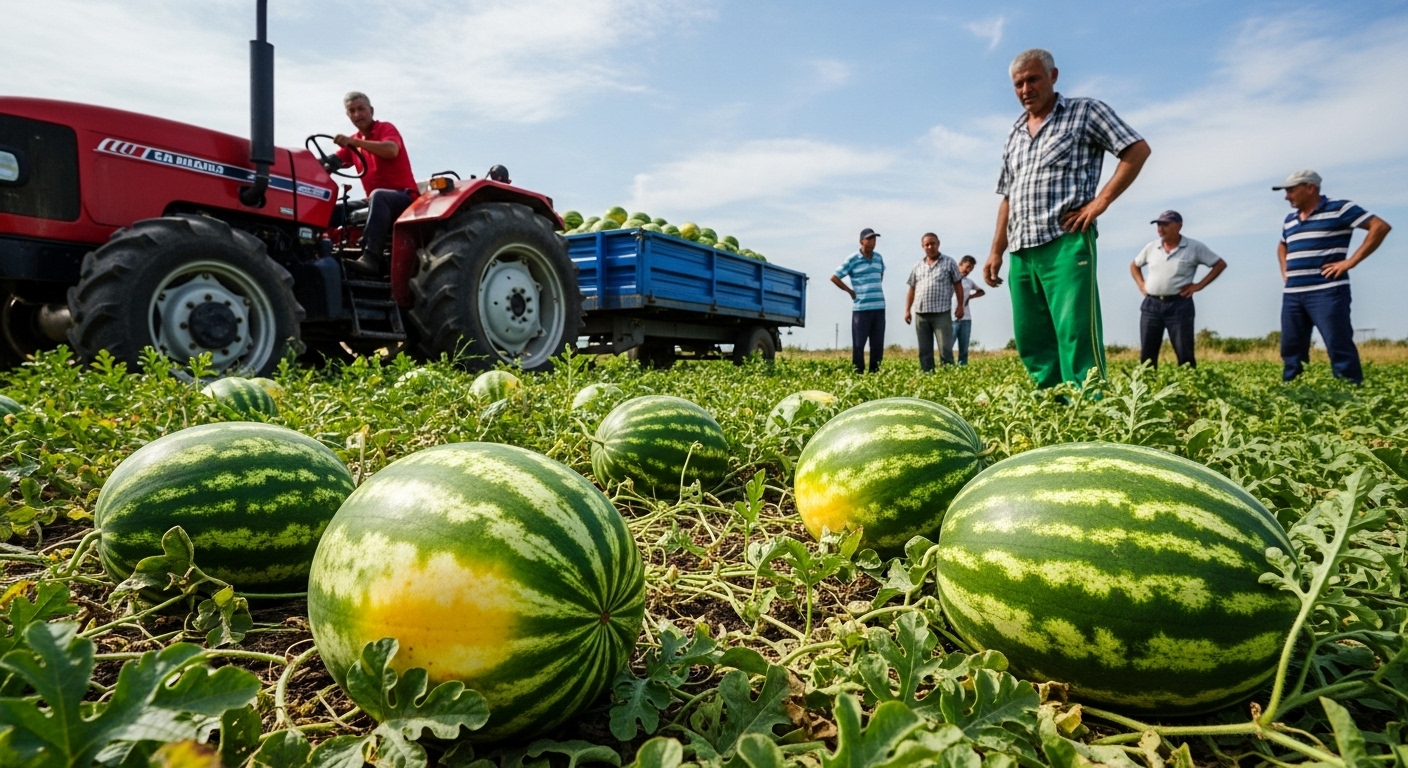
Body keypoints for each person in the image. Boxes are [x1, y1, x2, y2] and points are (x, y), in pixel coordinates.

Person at [982, 48, 1151, 388]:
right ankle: (1053, 407)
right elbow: (1007, 197)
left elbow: (1136, 149)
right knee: (1031, 339)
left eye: (1033, 79)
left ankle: (1089, 408)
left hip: (1066, 241)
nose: (1025, 89)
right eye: (1018, 84)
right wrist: (996, 251)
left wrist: (1099, 202)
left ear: (1053, 76)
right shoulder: (1014, 133)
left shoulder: (1084, 112)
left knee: (1075, 332)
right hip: (1021, 247)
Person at [1274, 170, 1392, 384]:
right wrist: (1285, 270)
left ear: (1310, 188)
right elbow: (1282, 245)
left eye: (1291, 190)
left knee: (1338, 344)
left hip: (1327, 291)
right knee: (1291, 348)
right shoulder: (1290, 220)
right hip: (1293, 294)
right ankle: (1292, 392)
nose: (1287, 196)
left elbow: (1380, 227)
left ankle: (1350, 394)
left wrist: (1349, 262)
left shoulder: (1340, 208)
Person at [324, 91, 418, 276]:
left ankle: (371, 257)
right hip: (374, 201)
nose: (357, 114)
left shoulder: (385, 129)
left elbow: (391, 150)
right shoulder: (354, 142)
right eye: (352, 111)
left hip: (404, 198)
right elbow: (331, 162)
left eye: (361, 109)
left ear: (371, 110)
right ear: (348, 115)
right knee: (330, 209)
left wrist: (354, 142)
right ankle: (320, 250)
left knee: (379, 195)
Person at [1129, 211, 1226, 368]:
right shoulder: (1152, 247)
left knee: (1184, 351)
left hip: (1179, 305)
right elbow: (1134, 265)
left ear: (1179, 226)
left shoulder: (1194, 247)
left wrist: (1198, 285)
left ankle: (1188, 387)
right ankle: (1146, 388)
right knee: (1147, 354)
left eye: (1165, 224)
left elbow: (1219, 264)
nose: (1160, 228)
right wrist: (1141, 284)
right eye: (1158, 225)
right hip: (1151, 305)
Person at [903, 233, 965, 372]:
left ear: (938, 243)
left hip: (941, 312)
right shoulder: (918, 265)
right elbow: (912, 289)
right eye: (927, 244)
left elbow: (958, 285)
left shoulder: (949, 262)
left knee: (945, 349)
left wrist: (960, 306)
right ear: (922, 246)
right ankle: (927, 375)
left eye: (933, 243)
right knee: (924, 350)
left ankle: (948, 377)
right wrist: (907, 310)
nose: (930, 247)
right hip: (921, 313)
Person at [832, 228, 886, 373]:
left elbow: (881, 274)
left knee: (877, 343)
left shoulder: (878, 258)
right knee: (858, 344)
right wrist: (850, 291)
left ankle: (875, 371)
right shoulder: (853, 259)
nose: (872, 242)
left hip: (879, 306)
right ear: (861, 241)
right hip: (861, 308)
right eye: (869, 239)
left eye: (874, 239)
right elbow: (835, 277)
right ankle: (858, 372)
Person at [952, 256, 985, 365]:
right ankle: (946, 367)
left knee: (964, 347)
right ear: (960, 264)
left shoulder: (969, 282)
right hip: (950, 317)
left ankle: (962, 369)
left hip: (966, 318)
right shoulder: (949, 279)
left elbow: (981, 291)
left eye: (971, 269)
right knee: (948, 346)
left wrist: (970, 297)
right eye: (967, 267)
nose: (969, 270)